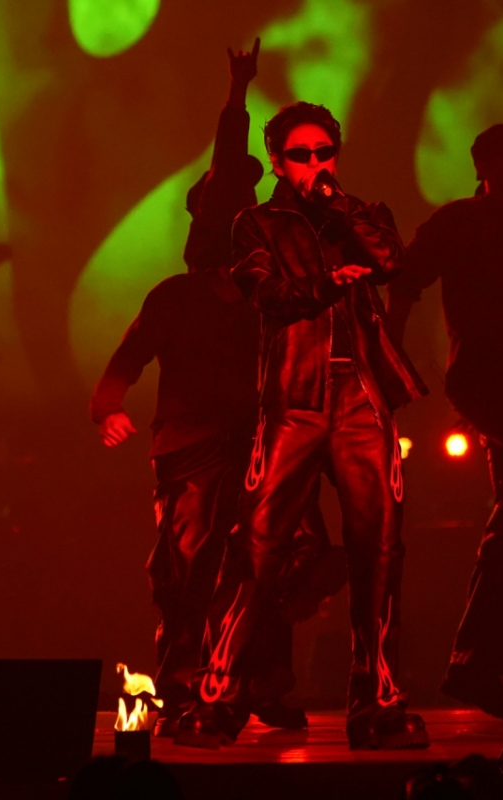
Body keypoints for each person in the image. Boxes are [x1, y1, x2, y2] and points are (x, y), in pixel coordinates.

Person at [92, 43, 336, 736]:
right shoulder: (177, 296)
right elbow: (127, 359)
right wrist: (107, 407)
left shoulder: (268, 296)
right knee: (189, 569)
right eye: (229, 208)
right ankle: (184, 685)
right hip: (193, 446)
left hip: (258, 443)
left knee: (273, 563)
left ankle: (259, 681)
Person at [175, 101, 429, 751]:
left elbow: (392, 262)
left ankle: (379, 702)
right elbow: (268, 296)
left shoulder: (361, 214)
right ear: (278, 162)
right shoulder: (255, 224)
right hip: (294, 398)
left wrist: (341, 212)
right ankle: (218, 696)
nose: (315, 164)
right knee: (256, 547)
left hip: (362, 396)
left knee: (379, 551)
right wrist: (326, 284)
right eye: (301, 154)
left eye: (324, 152)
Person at [385, 123, 503, 718]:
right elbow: (407, 279)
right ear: (483, 166)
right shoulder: (458, 221)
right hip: (485, 380)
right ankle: (483, 636)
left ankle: (478, 660)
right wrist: (391, 351)